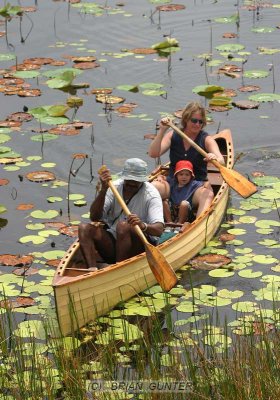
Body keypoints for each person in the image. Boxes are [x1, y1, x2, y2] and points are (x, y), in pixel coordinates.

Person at [78, 158, 165, 270]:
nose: (131, 185)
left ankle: (119, 268)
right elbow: (94, 217)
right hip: (114, 241)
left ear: (142, 181)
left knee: (123, 226)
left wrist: (142, 225)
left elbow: (159, 230)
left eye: (135, 183)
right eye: (128, 182)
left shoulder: (151, 194)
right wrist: (103, 191)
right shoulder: (114, 187)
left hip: (138, 244)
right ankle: (91, 269)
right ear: (124, 178)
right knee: (84, 228)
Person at [148, 101, 225, 217]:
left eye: (201, 122)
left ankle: (199, 226)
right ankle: (150, 222)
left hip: (196, 187)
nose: (197, 124)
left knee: (208, 195)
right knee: (152, 187)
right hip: (173, 183)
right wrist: (162, 131)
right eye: (194, 121)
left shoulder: (206, 139)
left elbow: (221, 161)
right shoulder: (173, 135)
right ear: (186, 120)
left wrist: (214, 158)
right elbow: (153, 153)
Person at [163, 160, 203, 224]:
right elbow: (163, 177)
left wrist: (207, 184)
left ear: (191, 176)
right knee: (164, 201)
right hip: (173, 210)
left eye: (187, 175)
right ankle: (169, 222)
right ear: (176, 175)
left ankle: (179, 224)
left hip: (186, 212)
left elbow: (204, 183)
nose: (184, 177)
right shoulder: (172, 182)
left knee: (184, 203)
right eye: (181, 174)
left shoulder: (193, 184)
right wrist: (160, 177)